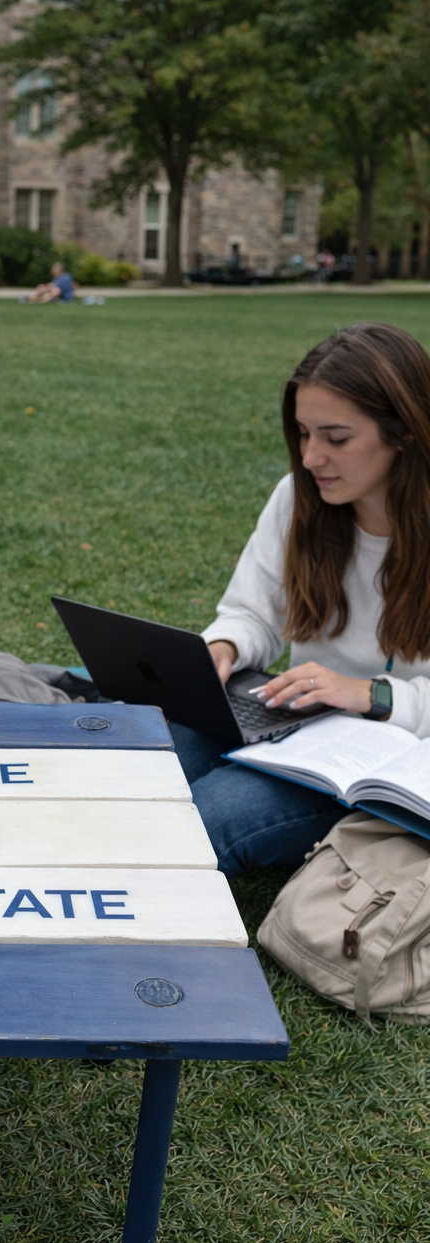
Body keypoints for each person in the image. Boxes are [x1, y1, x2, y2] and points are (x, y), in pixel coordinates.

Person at [175, 321, 430, 877]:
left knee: (205, 820)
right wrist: (224, 646)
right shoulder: (299, 499)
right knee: (149, 762)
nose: (311, 457)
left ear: (404, 432)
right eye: (303, 433)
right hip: (298, 725)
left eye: (336, 438)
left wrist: (370, 694)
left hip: (386, 762)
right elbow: (250, 614)